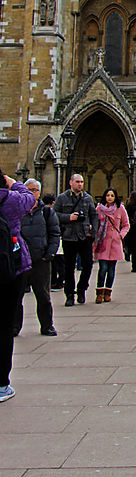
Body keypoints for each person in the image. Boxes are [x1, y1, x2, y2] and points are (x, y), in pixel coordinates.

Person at [0, 168, 36, 402]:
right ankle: (2, 385)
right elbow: (30, 199)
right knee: (4, 326)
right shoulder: (9, 199)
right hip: (9, 267)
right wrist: (14, 183)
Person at [14, 178, 60, 336]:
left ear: (39, 193)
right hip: (21, 261)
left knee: (43, 296)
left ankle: (47, 325)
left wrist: (49, 254)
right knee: (16, 296)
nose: (31, 193)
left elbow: (54, 233)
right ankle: (14, 327)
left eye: (34, 190)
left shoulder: (47, 212)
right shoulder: (17, 211)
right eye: (28, 190)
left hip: (41, 259)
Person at [54, 173, 98, 305]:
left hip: (84, 236)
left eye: (82, 182)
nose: (80, 184)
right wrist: (68, 217)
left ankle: (81, 289)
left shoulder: (87, 198)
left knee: (88, 265)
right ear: (71, 183)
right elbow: (54, 215)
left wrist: (93, 232)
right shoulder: (62, 198)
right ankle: (69, 295)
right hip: (69, 236)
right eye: (77, 182)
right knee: (69, 267)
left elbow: (94, 215)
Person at [93, 188, 130, 303]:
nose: (109, 197)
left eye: (112, 195)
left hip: (114, 242)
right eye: (108, 195)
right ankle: (99, 292)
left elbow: (126, 225)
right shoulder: (99, 209)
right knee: (103, 268)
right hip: (103, 241)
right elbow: (94, 222)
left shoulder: (120, 208)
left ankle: (108, 292)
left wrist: (120, 235)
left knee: (111, 270)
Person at [43, 193, 65, 290]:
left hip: (50, 240)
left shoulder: (43, 212)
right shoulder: (54, 212)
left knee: (55, 263)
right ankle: (59, 282)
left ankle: (54, 282)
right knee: (59, 263)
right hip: (58, 240)